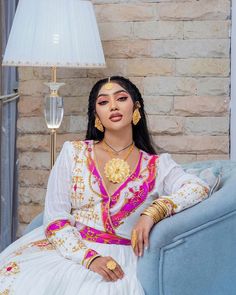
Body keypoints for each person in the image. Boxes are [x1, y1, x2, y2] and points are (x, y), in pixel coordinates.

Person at [0, 76, 210, 294]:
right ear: (96, 115)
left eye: (121, 98)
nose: (113, 106)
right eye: (103, 102)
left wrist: (153, 212)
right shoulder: (74, 153)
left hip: (123, 260)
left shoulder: (157, 165)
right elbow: (55, 219)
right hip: (71, 252)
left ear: (135, 107)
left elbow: (198, 188)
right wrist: (89, 258)